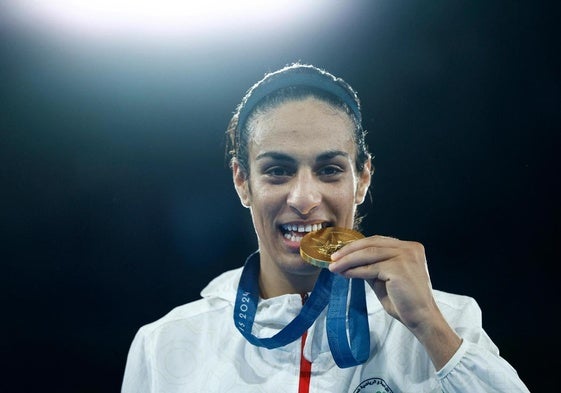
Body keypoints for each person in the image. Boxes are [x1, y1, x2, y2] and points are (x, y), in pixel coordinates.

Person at [121, 63, 530, 392]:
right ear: (242, 182)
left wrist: (430, 327)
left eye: (330, 170)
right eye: (278, 171)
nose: (303, 198)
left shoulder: (448, 321)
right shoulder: (165, 344)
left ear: (363, 179)